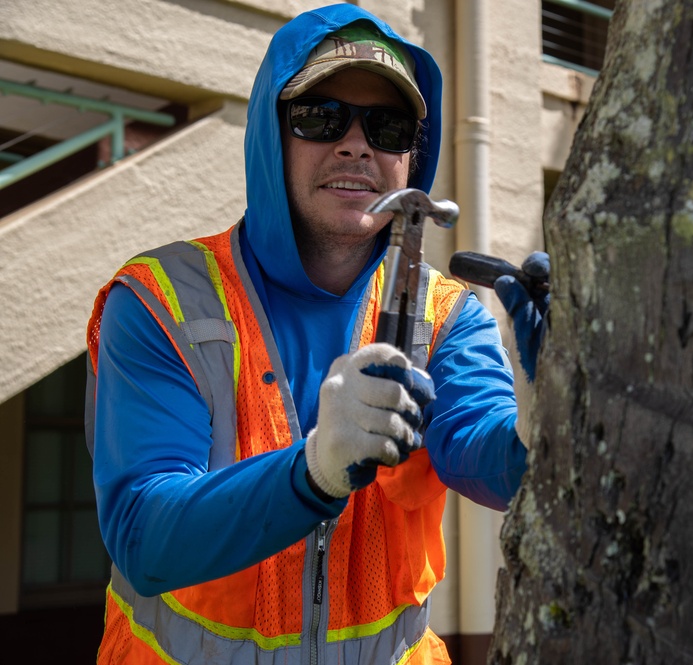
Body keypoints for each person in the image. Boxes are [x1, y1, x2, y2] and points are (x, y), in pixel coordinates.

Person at [84, 4, 549, 663]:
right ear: (270, 134)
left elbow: (490, 460)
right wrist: (313, 470)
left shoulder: (449, 316)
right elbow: (144, 534)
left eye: (386, 127)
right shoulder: (161, 301)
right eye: (320, 116)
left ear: (411, 157)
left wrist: (547, 421)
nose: (355, 144)